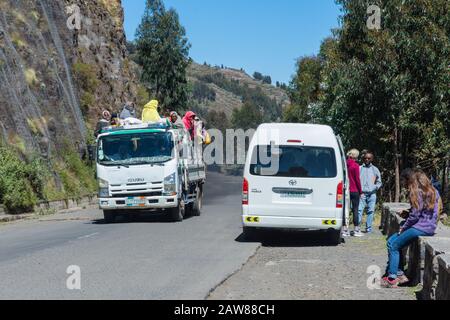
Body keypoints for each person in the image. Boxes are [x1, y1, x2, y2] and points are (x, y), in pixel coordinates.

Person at [382, 170, 440, 288]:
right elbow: (426, 212)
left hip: (420, 227)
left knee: (394, 245)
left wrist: (403, 228)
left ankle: (392, 278)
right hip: (429, 227)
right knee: (390, 241)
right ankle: (399, 274)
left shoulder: (418, 193)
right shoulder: (434, 191)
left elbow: (415, 216)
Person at [358, 152, 382, 233]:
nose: (367, 160)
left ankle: (368, 228)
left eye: (369, 158)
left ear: (372, 159)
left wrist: (375, 187)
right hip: (362, 194)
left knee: (371, 211)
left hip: (372, 194)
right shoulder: (359, 168)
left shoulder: (375, 169)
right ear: (363, 159)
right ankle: (357, 227)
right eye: (365, 158)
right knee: (359, 210)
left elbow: (379, 182)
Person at [346, 149, 363, 237]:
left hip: (346, 190)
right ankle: (356, 229)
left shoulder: (344, 164)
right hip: (355, 190)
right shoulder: (355, 166)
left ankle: (345, 229)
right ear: (355, 156)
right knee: (355, 209)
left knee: (346, 210)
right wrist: (361, 191)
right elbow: (357, 180)